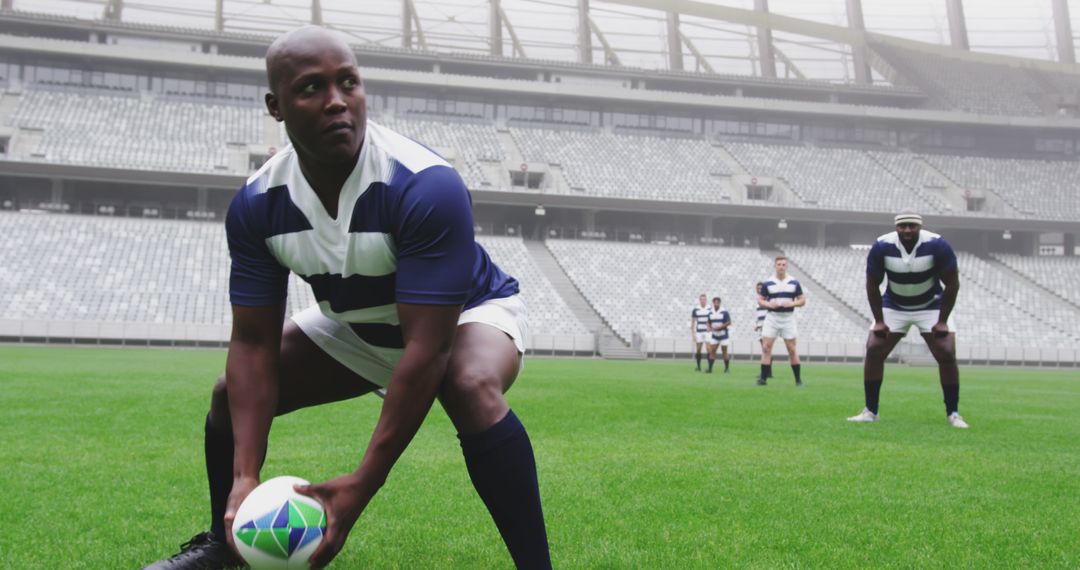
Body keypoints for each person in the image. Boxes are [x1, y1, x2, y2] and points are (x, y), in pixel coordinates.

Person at [144, 26, 550, 570]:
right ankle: (225, 547)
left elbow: (427, 352)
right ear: (276, 106)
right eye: (312, 88)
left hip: (462, 320)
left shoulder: (424, 184)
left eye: (349, 83)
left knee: (468, 383)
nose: (337, 102)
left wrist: (360, 487)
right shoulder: (257, 205)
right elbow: (253, 343)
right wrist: (246, 475)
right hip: (355, 326)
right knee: (228, 397)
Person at [848, 212, 967, 428]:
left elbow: (952, 284)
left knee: (947, 352)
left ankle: (953, 413)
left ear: (919, 227)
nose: (907, 230)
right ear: (896, 228)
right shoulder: (882, 245)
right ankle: (870, 411)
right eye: (902, 226)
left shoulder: (937, 244)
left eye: (912, 226)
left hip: (930, 304)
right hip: (894, 305)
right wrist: (879, 321)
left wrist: (942, 321)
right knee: (874, 349)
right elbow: (872, 284)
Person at [757, 257, 805, 386]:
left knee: (791, 349)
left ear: (787, 266)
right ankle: (763, 379)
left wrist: (792, 303)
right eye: (779, 264)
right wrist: (768, 304)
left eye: (784, 264)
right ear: (775, 266)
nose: (781, 266)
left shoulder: (794, 282)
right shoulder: (768, 283)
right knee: (766, 348)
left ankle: (798, 380)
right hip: (772, 317)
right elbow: (760, 300)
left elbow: (802, 300)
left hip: (788, 318)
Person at [706, 296, 732, 374]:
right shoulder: (710, 312)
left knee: (724, 351)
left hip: (723, 335)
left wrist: (720, 327)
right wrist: (708, 327)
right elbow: (708, 321)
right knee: (712, 351)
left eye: (718, 302)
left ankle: (726, 369)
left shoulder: (724, 311)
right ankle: (710, 369)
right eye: (715, 302)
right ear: (713, 303)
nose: (716, 303)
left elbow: (728, 322)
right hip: (715, 335)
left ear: (720, 303)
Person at [752, 282, 770, 378]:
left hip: (766, 327)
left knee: (766, 349)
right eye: (758, 288)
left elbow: (769, 313)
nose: (759, 289)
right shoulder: (758, 300)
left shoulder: (767, 299)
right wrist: (756, 325)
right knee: (765, 350)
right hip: (760, 327)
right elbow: (758, 315)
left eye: (761, 288)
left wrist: (764, 324)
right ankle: (767, 372)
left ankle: (766, 373)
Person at [690, 293, 712, 372]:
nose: (703, 301)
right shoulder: (696, 309)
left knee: (708, 349)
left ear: (706, 300)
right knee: (698, 349)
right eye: (701, 299)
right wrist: (693, 334)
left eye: (704, 299)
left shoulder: (710, 308)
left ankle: (710, 367)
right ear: (699, 300)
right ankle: (698, 366)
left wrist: (711, 328)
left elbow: (712, 319)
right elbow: (693, 322)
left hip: (707, 332)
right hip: (699, 331)